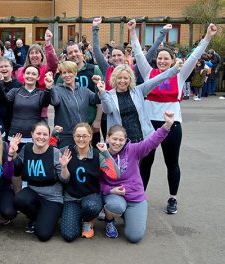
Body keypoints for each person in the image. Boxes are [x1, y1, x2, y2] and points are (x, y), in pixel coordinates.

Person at [130, 21, 218, 214]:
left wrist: (208, 37)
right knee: (146, 162)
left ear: (172, 61)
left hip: (172, 125)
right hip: (149, 126)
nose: (162, 61)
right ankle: (140, 197)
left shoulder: (179, 75)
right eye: (160, 58)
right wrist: (132, 32)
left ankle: (173, 198)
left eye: (166, 59)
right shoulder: (148, 73)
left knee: (172, 163)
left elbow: (194, 57)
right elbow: (137, 52)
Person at [100, 111, 175, 243]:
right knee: (115, 206)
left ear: (125, 140)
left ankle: (128, 216)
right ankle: (109, 219)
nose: (117, 143)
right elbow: (97, 182)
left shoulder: (134, 150)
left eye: (121, 140)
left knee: (134, 237)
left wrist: (167, 126)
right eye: (114, 139)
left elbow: (152, 142)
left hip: (135, 197)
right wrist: (110, 190)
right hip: (114, 196)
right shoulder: (101, 155)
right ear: (107, 138)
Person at [96, 60, 182, 143]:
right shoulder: (108, 95)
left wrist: (174, 70)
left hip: (141, 139)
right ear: (114, 79)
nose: (122, 81)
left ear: (130, 79)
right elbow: (107, 110)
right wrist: (102, 93)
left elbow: (157, 80)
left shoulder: (138, 91)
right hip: (120, 142)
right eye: (119, 78)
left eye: (126, 78)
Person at [59, 123, 118, 241]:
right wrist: (64, 166)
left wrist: (106, 153)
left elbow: (115, 175)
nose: (81, 139)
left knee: (91, 207)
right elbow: (63, 178)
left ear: (90, 136)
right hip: (71, 197)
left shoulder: (97, 155)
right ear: (74, 137)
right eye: (78, 136)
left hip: (90, 196)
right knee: (68, 235)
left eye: (85, 136)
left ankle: (87, 221)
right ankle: (76, 216)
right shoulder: (66, 151)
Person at [12, 122, 65, 241]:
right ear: (32, 134)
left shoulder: (55, 152)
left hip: (52, 197)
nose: (41, 137)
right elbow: (18, 167)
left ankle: (49, 216)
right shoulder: (27, 148)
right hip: (33, 192)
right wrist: (13, 152)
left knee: (43, 235)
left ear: (48, 136)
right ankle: (35, 217)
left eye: (45, 134)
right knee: (19, 199)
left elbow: (64, 179)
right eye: (38, 133)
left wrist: (64, 167)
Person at [57, 42, 103, 144]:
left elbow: (100, 97)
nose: (73, 54)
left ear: (81, 52)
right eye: (70, 53)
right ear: (67, 56)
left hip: (90, 121)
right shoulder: (62, 75)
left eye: (76, 51)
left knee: (91, 154)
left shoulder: (94, 70)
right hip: (69, 126)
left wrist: (98, 120)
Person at [50, 61, 100, 148]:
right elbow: (54, 101)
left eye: (70, 72)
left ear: (75, 73)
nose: (67, 75)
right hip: (64, 136)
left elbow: (97, 99)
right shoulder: (57, 89)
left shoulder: (84, 90)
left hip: (82, 136)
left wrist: (98, 86)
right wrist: (50, 87)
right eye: (64, 73)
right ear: (61, 75)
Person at [0, 64, 51, 144]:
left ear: (38, 77)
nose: (30, 76)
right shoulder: (15, 91)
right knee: (13, 156)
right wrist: (0, 84)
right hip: (15, 136)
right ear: (23, 75)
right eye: (28, 73)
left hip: (34, 136)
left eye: (33, 74)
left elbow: (45, 103)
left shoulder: (41, 93)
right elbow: (5, 100)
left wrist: (48, 88)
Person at [0, 57, 23, 136]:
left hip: (11, 121)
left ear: (12, 68)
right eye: (1, 67)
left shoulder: (18, 84)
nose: (4, 68)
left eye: (6, 66)